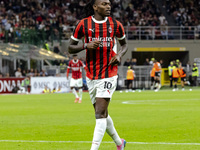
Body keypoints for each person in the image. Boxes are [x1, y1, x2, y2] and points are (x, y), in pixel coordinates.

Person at [68, 0, 128, 149]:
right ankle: (120, 143)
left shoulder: (116, 25)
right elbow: (70, 48)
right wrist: (85, 46)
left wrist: (119, 55)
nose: (108, 6)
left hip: (109, 73)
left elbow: (124, 44)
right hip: (91, 74)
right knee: (102, 113)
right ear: (95, 7)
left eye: (109, 4)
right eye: (104, 4)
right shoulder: (83, 24)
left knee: (100, 114)